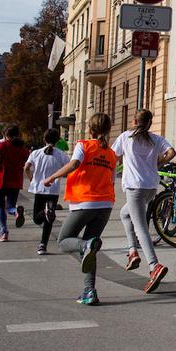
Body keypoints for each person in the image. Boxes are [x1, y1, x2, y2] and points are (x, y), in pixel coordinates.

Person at [43, 113, 115, 306]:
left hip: (85, 201)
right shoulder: (111, 154)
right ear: (108, 130)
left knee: (63, 241)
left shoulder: (83, 145)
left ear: (90, 129)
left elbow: (74, 164)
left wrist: (52, 177)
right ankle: (89, 291)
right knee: (91, 250)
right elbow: (111, 179)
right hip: (105, 204)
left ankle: (84, 246)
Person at [113, 109, 175, 293]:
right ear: (149, 123)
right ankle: (133, 252)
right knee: (124, 214)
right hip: (150, 187)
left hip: (134, 187)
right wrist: (158, 163)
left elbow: (113, 156)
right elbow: (172, 152)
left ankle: (153, 265)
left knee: (140, 227)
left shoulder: (126, 137)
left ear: (133, 121)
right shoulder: (156, 139)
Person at [26, 128, 71, 255]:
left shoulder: (35, 153)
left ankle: (46, 212)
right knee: (48, 220)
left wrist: (32, 179)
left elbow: (26, 168)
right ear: (57, 140)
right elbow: (69, 168)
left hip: (39, 188)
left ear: (44, 139)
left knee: (37, 218)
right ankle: (43, 245)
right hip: (53, 189)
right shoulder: (62, 154)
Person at [0, 125, 30, 242]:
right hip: (16, 180)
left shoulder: (1, 146)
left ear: (6, 134)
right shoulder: (23, 149)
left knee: (0, 206)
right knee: (10, 206)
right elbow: (26, 162)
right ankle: (15, 211)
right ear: (18, 134)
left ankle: (4, 232)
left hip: (2, 180)